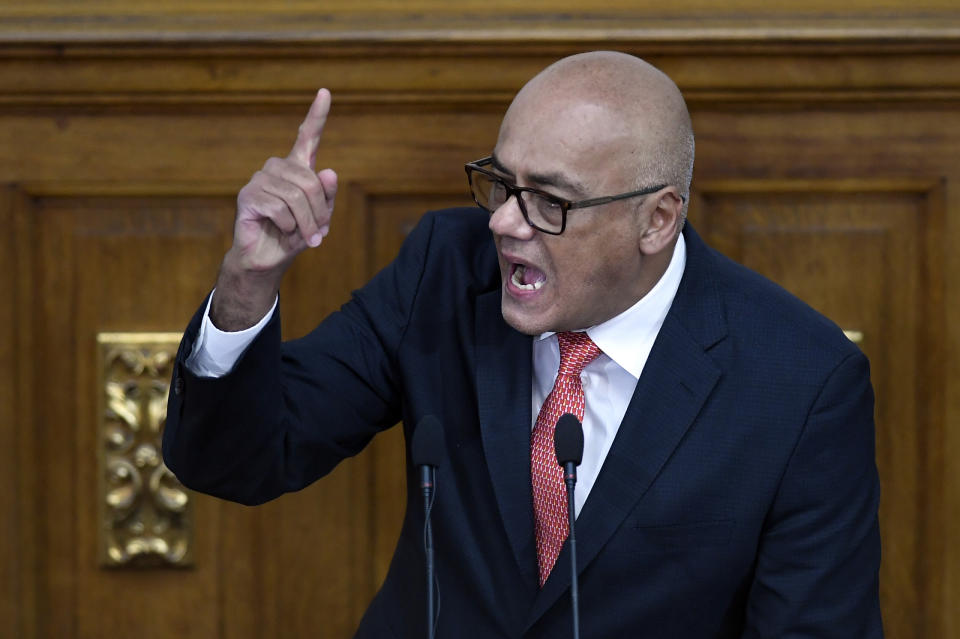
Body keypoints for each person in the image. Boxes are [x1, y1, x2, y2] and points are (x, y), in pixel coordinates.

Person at [162, 51, 883, 637]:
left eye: (549, 201)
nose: (505, 223)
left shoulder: (801, 383)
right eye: (502, 183)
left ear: (657, 219)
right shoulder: (444, 270)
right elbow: (239, 460)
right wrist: (248, 282)